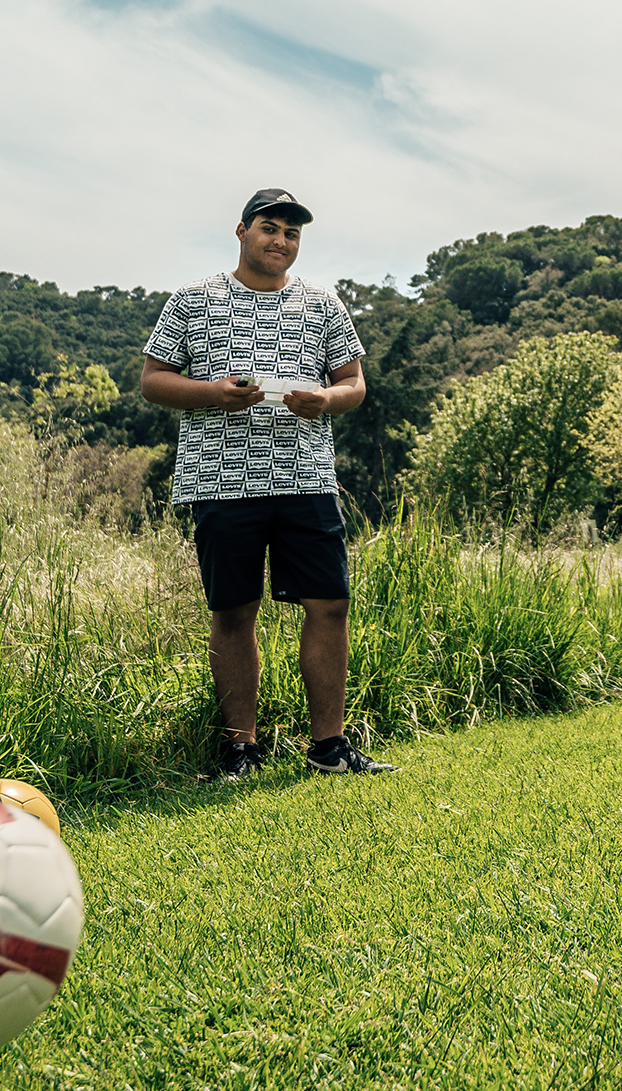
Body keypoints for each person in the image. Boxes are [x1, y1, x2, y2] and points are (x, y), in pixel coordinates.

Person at [140, 187, 394, 781]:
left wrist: (325, 399)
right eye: (270, 228)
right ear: (242, 231)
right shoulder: (192, 300)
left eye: (292, 233)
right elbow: (153, 380)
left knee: (330, 605)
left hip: (306, 478)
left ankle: (329, 747)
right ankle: (241, 752)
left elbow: (354, 383)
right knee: (234, 611)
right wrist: (213, 393)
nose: (280, 241)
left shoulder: (323, 303)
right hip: (222, 481)